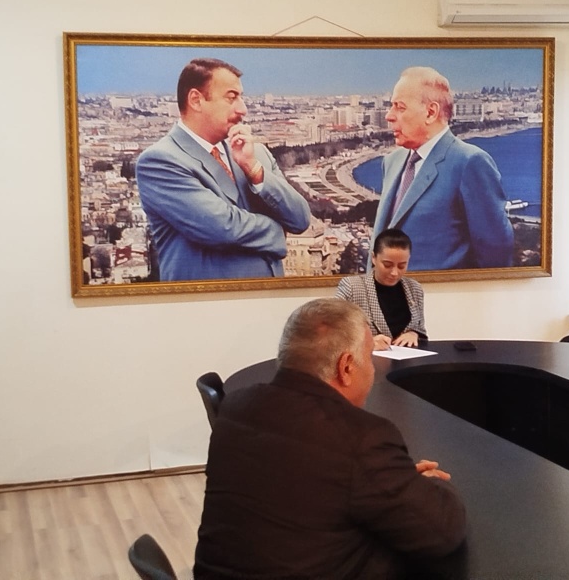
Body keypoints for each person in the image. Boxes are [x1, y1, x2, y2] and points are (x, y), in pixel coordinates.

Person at [193, 298, 466, 580]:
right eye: (369, 358)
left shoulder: (236, 407)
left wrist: (393, 479)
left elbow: (308, 487)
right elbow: (442, 531)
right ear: (346, 367)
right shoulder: (361, 437)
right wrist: (431, 484)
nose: (372, 370)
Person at [136, 58, 310, 281]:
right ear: (196, 100)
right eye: (231, 97)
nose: (243, 109)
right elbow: (223, 228)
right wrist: (278, 230)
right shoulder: (160, 161)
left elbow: (300, 219)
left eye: (241, 97)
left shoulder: (256, 153)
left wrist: (254, 170)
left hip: (271, 297)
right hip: (211, 299)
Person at [372, 66, 514, 270]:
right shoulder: (392, 161)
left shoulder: (470, 163)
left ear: (431, 112)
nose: (389, 116)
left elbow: (496, 254)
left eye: (400, 107)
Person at [336, 228, 427, 350]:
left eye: (402, 266)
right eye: (387, 265)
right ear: (374, 258)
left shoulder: (414, 288)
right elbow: (335, 333)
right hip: (368, 360)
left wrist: (414, 334)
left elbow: (420, 329)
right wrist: (368, 342)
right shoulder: (351, 286)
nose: (394, 273)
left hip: (409, 360)